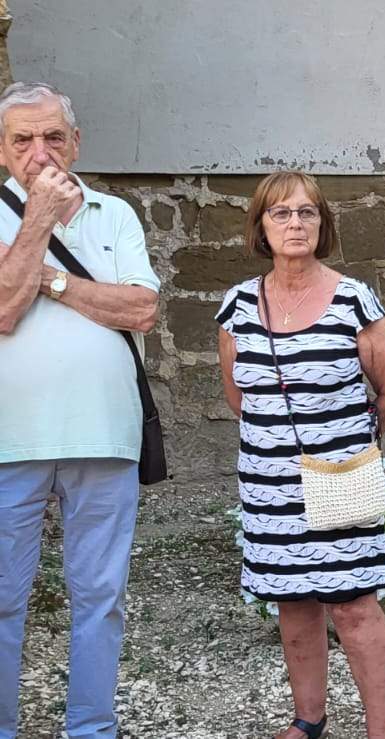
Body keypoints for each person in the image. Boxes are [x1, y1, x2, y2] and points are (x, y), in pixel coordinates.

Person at [215, 171, 385, 739]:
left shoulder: (354, 300)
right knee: (293, 605)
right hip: (269, 484)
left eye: (307, 213)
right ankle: (309, 719)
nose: (295, 223)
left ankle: (383, 733)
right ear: (261, 226)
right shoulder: (237, 306)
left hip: (340, 476)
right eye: (281, 214)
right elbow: (239, 399)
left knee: (353, 607)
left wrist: (347, 444)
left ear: (322, 225)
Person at [0, 81, 160, 739]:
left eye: (53, 137)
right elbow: (4, 312)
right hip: (8, 440)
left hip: (104, 433)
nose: (40, 152)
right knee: (2, 599)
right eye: (22, 139)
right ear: (3, 150)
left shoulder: (114, 213)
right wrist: (37, 218)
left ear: (76, 142)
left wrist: (52, 279)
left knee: (101, 598)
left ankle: (91, 727)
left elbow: (141, 308)